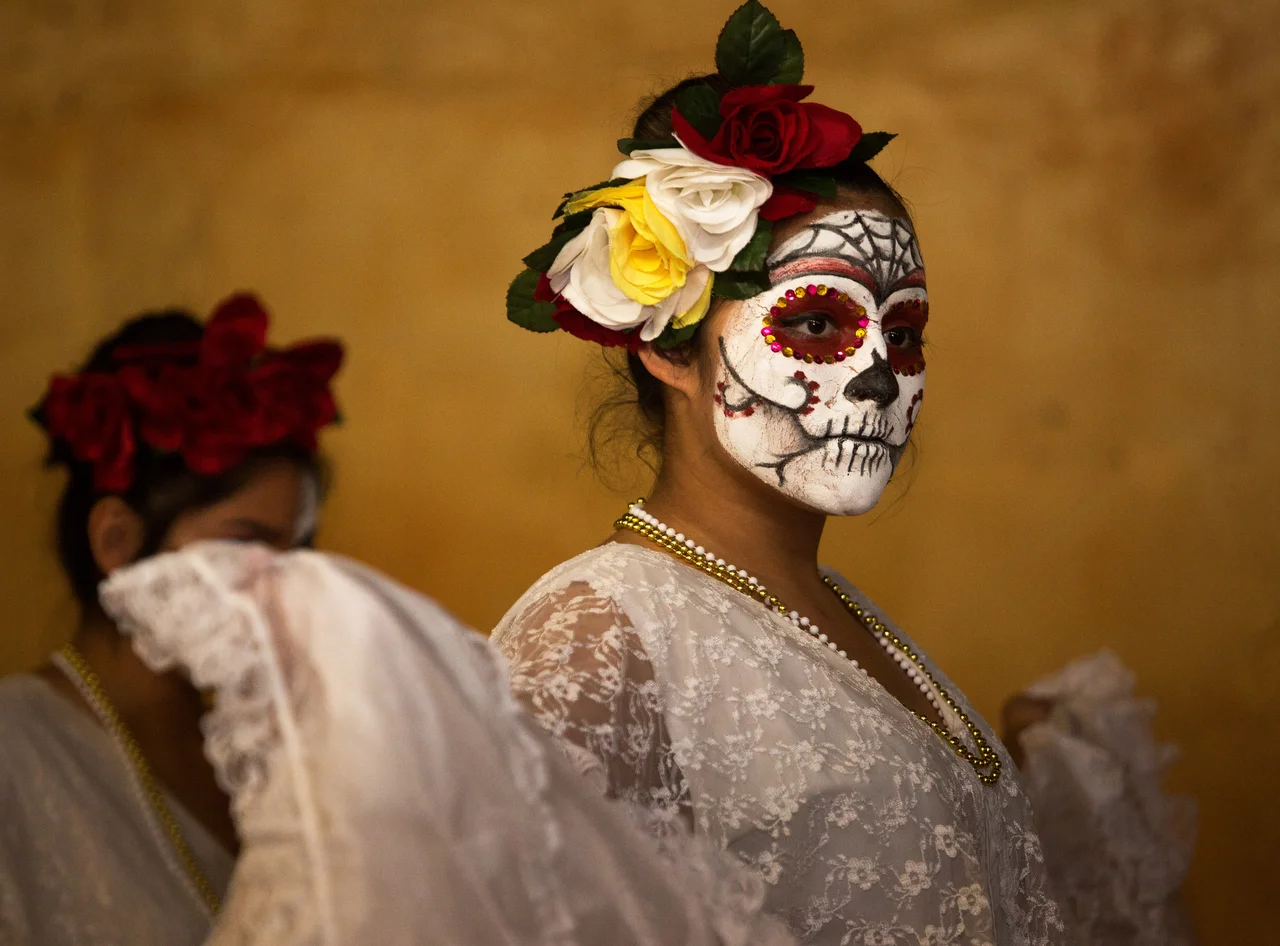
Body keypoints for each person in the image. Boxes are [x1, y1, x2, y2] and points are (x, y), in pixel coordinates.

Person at [493, 3, 1065, 943]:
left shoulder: (832, 605)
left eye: (906, 331)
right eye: (815, 321)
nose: (882, 373)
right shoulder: (597, 638)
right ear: (668, 351)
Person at [0, 293, 343, 945]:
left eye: (297, 551)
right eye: (245, 545)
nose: (282, 585)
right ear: (118, 544)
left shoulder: (261, 745)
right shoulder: (15, 751)